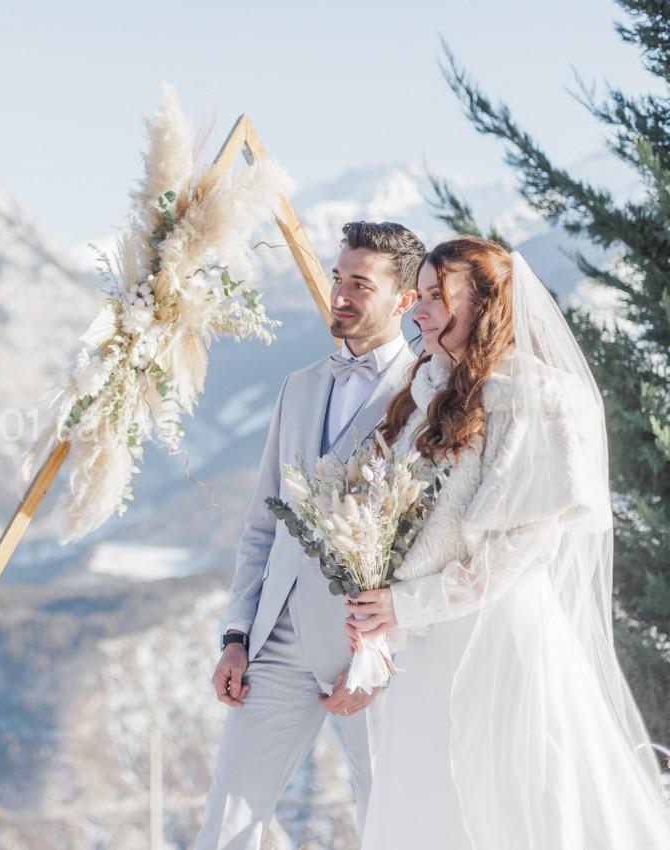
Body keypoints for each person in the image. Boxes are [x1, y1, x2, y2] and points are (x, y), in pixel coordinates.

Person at [348, 237, 670, 848]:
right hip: (426, 649)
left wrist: (407, 604)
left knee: (509, 805)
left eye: (437, 296)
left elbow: (519, 549)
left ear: (487, 304)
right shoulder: (425, 397)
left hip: (499, 642)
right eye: (420, 295)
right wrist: (376, 599)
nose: (418, 310)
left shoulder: (538, 400)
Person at [193, 221, 425, 849]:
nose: (340, 295)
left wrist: (378, 652)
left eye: (360, 284)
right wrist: (237, 634)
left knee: (387, 821)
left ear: (405, 300)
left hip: (372, 650)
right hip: (276, 642)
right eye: (336, 278)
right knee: (228, 818)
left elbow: (429, 540)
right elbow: (262, 525)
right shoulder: (298, 387)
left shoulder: (426, 394)